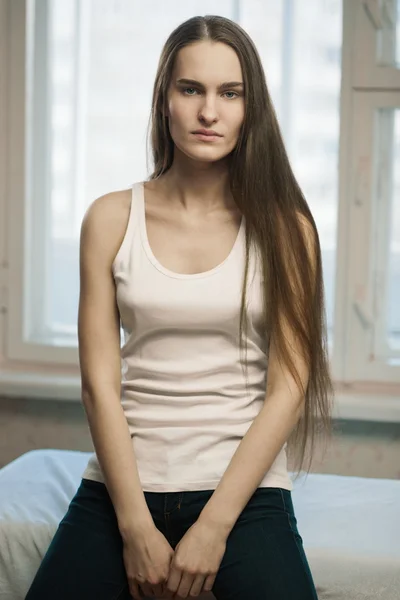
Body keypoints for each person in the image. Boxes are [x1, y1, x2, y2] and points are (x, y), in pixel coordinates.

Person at [25, 14, 334, 600]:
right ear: (164, 99)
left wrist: (214, 528)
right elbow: (98, 384)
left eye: (230, 93)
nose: (208, 112)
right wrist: (134, 524)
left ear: (251, 108)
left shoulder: (288, 230)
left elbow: (290, 387)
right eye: (190, 89)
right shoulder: (111, 218)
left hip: (246, 495)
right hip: (123, 483)